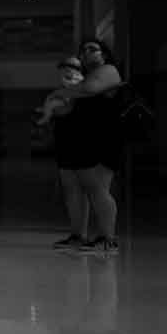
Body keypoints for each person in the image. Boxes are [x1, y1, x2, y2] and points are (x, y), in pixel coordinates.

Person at [42, 41, 124, 255]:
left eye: (92, 49)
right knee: (74, 189)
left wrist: (58, 93)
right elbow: (67, 107)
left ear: (104, 54)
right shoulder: (84, 78)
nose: (87, 53)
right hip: (80, 141)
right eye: (83, 50)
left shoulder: (108, 71)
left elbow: (90, 89)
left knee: (97, 189)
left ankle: (108, 239)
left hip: (103, 140)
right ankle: (78, 235)